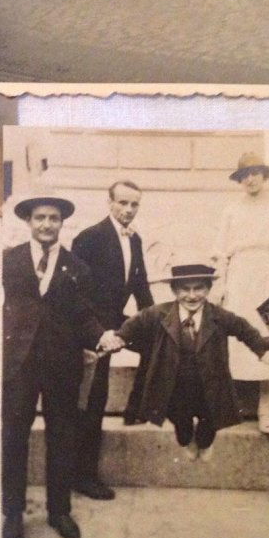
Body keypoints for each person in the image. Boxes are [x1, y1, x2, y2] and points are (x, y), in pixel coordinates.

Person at [1, 195, 111, 538]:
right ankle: (13, 513)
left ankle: (59, 511)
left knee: (62, 434)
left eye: (53, 218)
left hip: (62, 364)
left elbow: (83, 314)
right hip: (18, 363)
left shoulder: (76, 267)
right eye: (39, 218)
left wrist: (102, 336)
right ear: (29, 222)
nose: (46, 224)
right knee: (14, 435)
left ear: (62, 223)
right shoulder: (9, 261)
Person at [111, 265, 269, 463]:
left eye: (198, 288)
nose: (192, 296)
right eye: (185, 289)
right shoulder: (159, 313)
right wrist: (120, 338)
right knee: (180, 422)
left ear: (208, 289)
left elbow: (244, 330)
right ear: (174, 291)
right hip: (175, 385)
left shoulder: (219, 316)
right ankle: (186, 439)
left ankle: (204, 441)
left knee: (208, 424)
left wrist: (264, 350)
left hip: (209, 384)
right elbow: (135, 324)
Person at [70, 180, 153, 500]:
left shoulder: (136, 239)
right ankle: (83, 475)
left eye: (134, 204)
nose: (128, 210)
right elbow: (75, 295)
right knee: (93, 399)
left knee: (160, 344)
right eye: (123, 203)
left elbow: (142, 288)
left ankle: (137, 408)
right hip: (88, 329)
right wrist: (97, 337)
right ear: (110, 202)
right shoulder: (89, 238)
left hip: (114, 322)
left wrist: (156, 325)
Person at [212, 153, 269, 435]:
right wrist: (221, 284)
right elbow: (221, 251)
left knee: (268, 336)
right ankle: (229, 405)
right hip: (240, 276)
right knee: (237, 335)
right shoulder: (231, 209)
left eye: (255, 173)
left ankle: (265, 406)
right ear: (239, 179)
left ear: (264, 174)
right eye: (245, 174)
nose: (250, 179)